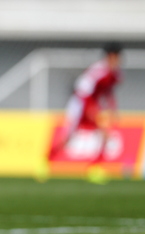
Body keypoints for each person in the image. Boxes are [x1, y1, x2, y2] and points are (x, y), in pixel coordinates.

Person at [45, 42, 123, 183]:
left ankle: (95, 168)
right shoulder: (98, 71)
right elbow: (81, 91)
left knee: (105, 134)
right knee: (68, 137)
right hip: (80, 104)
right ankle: (46, 160)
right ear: (109, 56)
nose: (116, 60)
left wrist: (113, 109)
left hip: (93, 105)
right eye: (114, 57)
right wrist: (90, 109)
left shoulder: (114, 74)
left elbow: (108, 92)